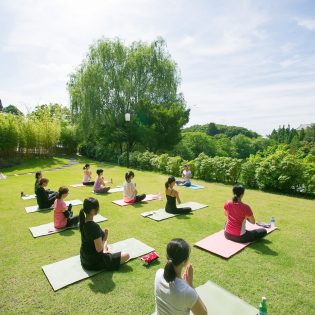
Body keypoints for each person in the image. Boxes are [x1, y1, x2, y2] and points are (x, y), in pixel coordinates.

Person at [154, 238, 207, 315]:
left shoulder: (158, 273)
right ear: (185, 261)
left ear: (167, 256)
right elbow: (203, 314)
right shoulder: (187, 292)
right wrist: (190, 285)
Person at [79, 197, 130, 271]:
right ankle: (106, 252)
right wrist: (105, 238)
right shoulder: (93, 226)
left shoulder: (83, 222)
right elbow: (99, 249)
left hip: (84, 259)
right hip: (93, 263)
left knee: (105, 245)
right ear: (93, 210)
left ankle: (105, 251)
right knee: (126, 255)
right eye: (97, 208)